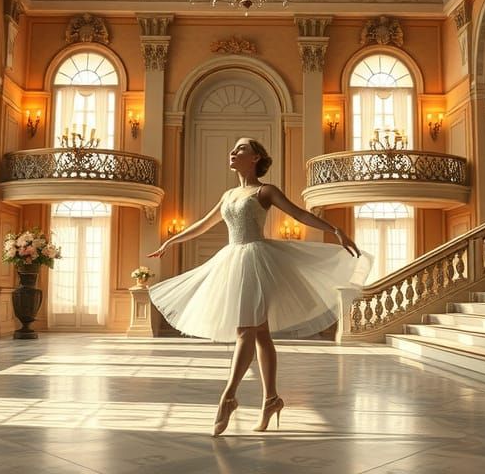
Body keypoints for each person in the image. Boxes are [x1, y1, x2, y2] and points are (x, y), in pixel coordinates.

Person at [148, 137, 372, 437]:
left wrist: (336, 230)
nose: (233, 151)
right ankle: (271, 399)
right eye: (233, 147)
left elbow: (299, 214)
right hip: (232, 259)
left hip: (257, 261)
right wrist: (171, 241)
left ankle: (228, 396)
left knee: (245, 330)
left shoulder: (265, 191)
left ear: (255, 158)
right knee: (261, 334)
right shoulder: (228, 195)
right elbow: (203, 224)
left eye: (241, 148)